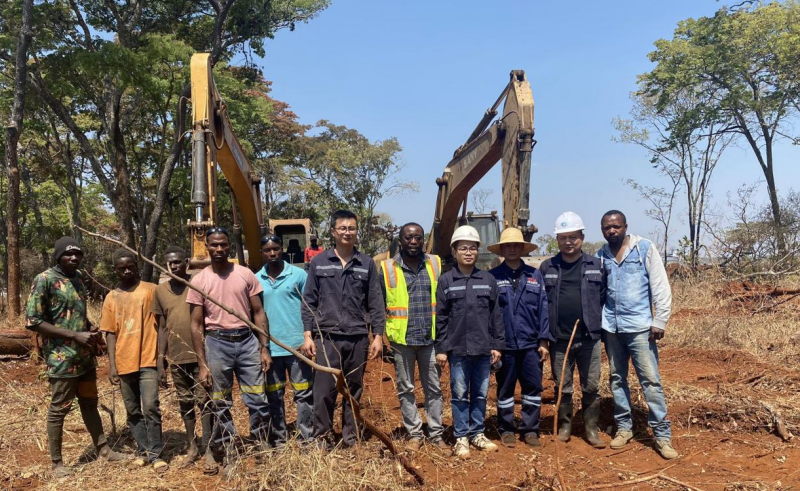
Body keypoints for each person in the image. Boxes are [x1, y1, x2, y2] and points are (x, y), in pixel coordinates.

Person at [25, 237, 124, 477]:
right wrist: (74, 335)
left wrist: (89, 328)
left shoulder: (78, 278)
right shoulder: (44, 279)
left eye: (78, 254)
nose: (74, 258)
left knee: (89, 403)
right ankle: (57, 463)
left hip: (84, 357)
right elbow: (33, 321)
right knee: (59, 409)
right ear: (58, 256)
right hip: (62, 359)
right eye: (68, 254)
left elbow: (74, 313)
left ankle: (103, 450)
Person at [187, 227, 272, 476]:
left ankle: (260, 445)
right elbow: (196, 324)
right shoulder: (199, 280)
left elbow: (259, 312)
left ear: (229, 246)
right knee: (220, 402)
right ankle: (230, 450)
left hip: (247, 342)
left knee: (258, 399)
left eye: (223, 244)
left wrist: (264, 348)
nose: (219, 249)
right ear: (207, 247)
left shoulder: (245, 274)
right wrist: (202, 364)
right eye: (214, 245)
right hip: (217, 344)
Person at [301, 210, 385, 448]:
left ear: (357, 232)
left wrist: (378, 336)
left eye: (352, 228)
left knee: (353, 390)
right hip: (327, 338)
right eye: (343, 228)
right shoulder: (319, 263)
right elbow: (309, 301)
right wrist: (308, 335)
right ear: (333, 232)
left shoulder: (366, 264)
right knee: (323, 391)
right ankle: (323, 437)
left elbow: (375, 302)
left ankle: (351, 437)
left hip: (358, 338)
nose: (348, 232)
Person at [597, 210, 677, 459]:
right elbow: (598, 291)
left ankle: (662, 436)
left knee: (650, 381)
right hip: (612, 328)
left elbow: (660, 285)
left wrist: (660, 320)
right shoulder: (601, 255)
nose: (612, 231)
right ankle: (624, 428)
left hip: (641, 328)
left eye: (616, 226)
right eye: (607, 227)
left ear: (625, 226)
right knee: (617, 379)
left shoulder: (644, 248)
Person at [434, 225, 505, 458]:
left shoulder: (487, 279)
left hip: (483, 349)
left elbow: (496, 315)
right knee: (459, 394)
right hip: (458, 350)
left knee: (480, 394)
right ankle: (461, 437)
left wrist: (497, 345)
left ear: (478, 251)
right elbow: (441, 317)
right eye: (463, 248)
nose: (468, 252)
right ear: (454, 251)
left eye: (472, 248)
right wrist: (442, 349)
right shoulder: (446, 281)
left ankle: (477, 433)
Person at [540, 212, 607, 448]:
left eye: (573, 237)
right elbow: (542, 303)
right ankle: (565, 426)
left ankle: (591, 429)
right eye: (563, 237)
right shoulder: (547, 267)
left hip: (589, 338)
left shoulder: (596, 265)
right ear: (557, 240)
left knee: (591, 386)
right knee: (563, 385)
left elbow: (602, 297)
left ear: (582, 238)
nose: (568, 242)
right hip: (559, 339)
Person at [379, 223, 447, 451]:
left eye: (418, 237)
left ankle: (436, 434)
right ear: (400, 241)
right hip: (402, 342)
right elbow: (379, 304)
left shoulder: (435, 264)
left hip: (430, 340)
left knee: (434, 389)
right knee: (406, 389)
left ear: (423, 240)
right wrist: (379, 337)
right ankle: (415, 435)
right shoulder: (388, 268)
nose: (414, 241)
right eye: (409, 238)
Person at [100, 249, 167, 472]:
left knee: (150, 407)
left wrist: (161, 359)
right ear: (115, 270)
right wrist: (112, 365)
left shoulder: (151, 289)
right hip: (124, 361)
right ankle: (143, 451)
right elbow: (110, 333)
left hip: (148, 359)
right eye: (122, 268)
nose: (127, 271)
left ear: (137, 266)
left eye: (130, 266)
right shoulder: (111, 297)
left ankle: (156, 454)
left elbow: (163, 324)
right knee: (132, 410)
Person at [488, 227, 552, 448]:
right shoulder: (493, 277)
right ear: (502, 250)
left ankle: (530, 429)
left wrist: (543, 340)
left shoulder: (535, 275)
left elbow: (543, 308)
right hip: (504, 345)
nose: (512, 249)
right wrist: (494, 344)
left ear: (523, 248)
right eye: (508, 246)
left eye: (516, 245)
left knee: (532, 388)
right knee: (505, 388)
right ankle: (506, 429)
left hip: (531, 344)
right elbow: (490, 313)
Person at [154, 246, 214, 469]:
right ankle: (192, 447)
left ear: (186, 262)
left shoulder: (198, 284)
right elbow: (162, 327)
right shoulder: (160, 291)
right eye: (169, 263)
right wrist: (161, 360)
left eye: (177, 262)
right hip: (177, 358)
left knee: (204, 401)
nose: (173, 266)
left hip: (201, 356)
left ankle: (208, 447)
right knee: (185, 402)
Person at [257, 235, 313, 446]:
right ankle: (279, 440)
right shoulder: (256, 279)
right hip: (271, 349)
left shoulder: (299, 275)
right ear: (262, 253)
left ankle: (306, 439)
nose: (272, 253)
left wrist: (308, 337)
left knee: (303, 394)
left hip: (297, 347)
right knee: (274, 395)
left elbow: (309, 307)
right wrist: (262, 347)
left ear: (282, 250)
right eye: (267, 250)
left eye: (276, 249)